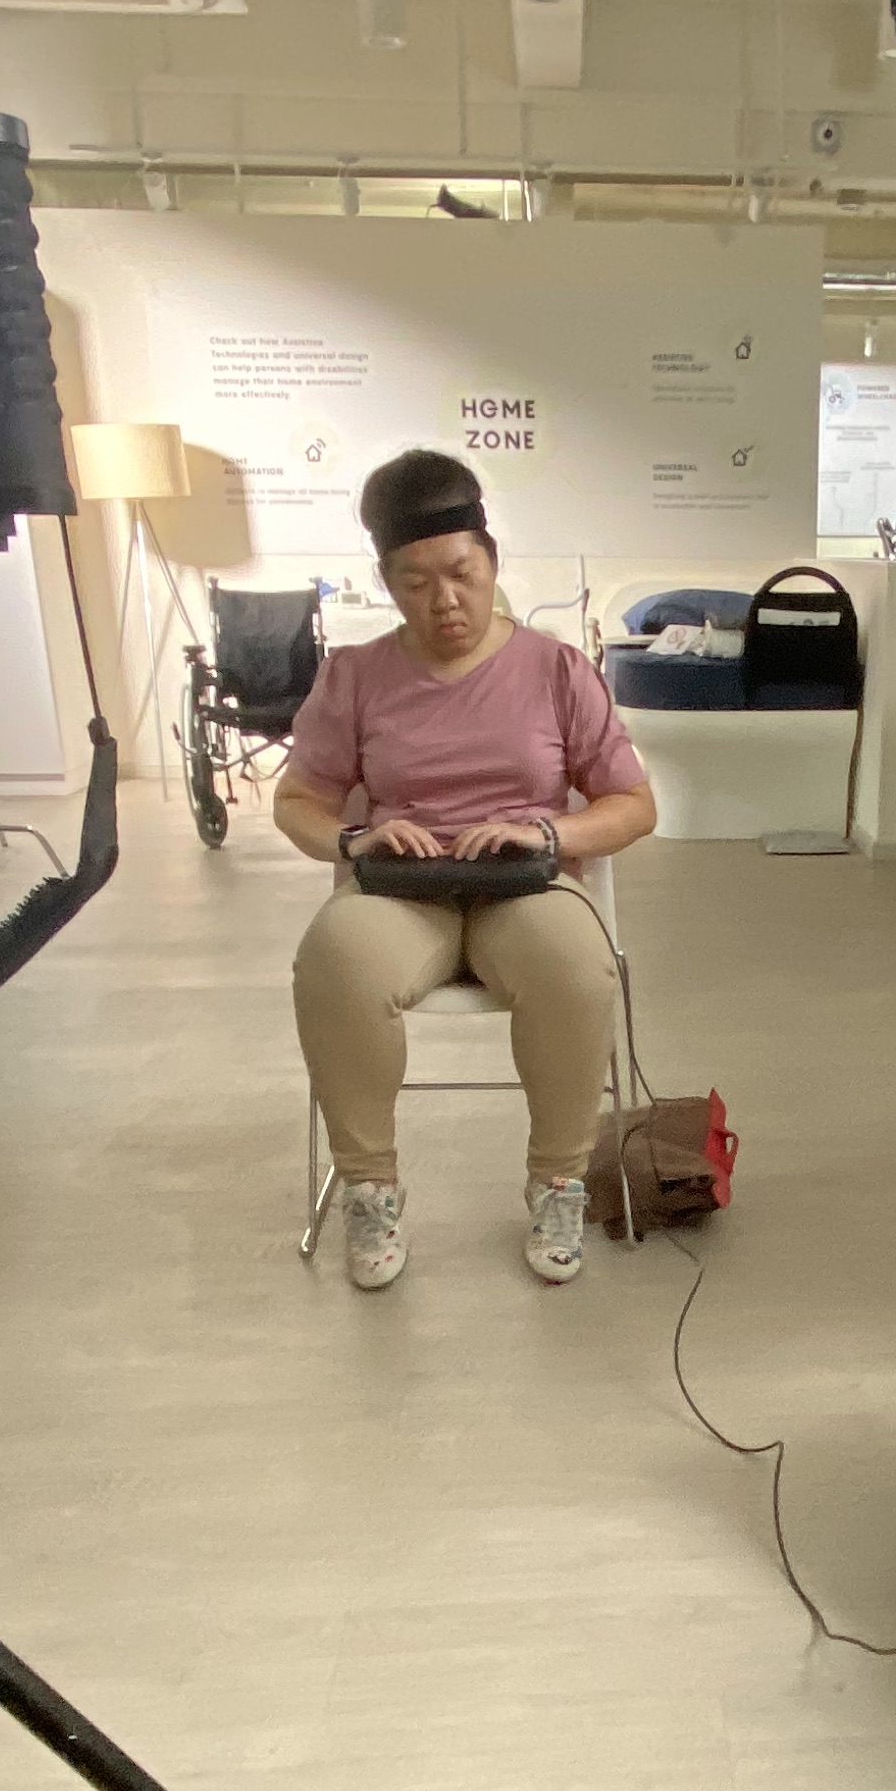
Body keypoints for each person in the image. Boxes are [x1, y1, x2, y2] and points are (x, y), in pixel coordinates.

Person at [274, 449, 660, 1291]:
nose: (444, 600)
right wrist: (353, 841)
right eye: (415, 582)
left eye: (461, 573)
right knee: (334, 962)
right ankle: (370, 1188)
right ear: (387, 581)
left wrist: (548, 831)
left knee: (575, 966)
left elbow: (633, 804)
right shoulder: (356, 677)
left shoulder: (557, 669)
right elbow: (297, 798)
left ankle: (559, 1181)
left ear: (492, 563)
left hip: (523, 886)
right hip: (404, 892)